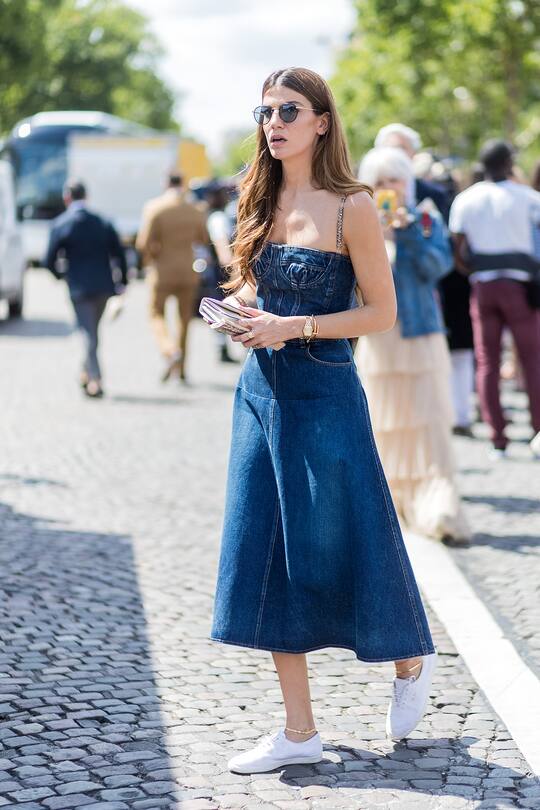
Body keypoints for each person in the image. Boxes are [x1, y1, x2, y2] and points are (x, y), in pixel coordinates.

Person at [210, 67, 437, 776]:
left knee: (349, 541)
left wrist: (294, 325)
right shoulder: (260, 196)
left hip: (328, 396)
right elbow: (258, 289)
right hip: (261, 394)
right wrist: (245, 314)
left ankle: (409, 657)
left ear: (321, 122)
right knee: (268, 549)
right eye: (266, 110)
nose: (273, 121)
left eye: (289, 109)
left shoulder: (353, 206)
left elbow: (381, 313)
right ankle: (299, 732)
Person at [356, 147, 470, 545]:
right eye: (381, 181)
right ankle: (390, 505)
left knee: (430, 422)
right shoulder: (360, 220)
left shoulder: (424, 218)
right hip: (380, 338)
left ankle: (437, 504)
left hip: (421, 332)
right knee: (383, 424)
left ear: (408, 182)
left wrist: (406, 233)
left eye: (396, 180)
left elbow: (438, 267)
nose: (390, 188)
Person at [449, 140, 540, 458]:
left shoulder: (465, 199)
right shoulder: (529, 198)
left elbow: (458, 248)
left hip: (483, 286)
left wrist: (473, 271)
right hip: (521, 287)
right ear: (508, 163)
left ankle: (497, 437)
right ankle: (537, 432)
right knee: (532, 359)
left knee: (487, 361)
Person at [45, 180, 127, 398]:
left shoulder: (62, 223)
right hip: (103, 286)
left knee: (87, 334)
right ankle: (86, 373)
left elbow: (49, 259)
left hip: (78, 287)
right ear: (86, 197)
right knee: (91, 332)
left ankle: (96, 380)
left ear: (67, 198)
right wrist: (123, 282)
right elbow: (119, 253)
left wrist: (62, 275)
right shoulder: (102, 222)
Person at [136, 172, 209, 382]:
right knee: (184, 321)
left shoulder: (154, 208)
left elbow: (143, 244)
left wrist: (150, 260)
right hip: (188, 271)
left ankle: (169, 350)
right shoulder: (196, 210)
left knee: (155, 313)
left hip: (162, 271)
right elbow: (203, 239)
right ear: (183, 184)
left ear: (165, 184)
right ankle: (183, 368)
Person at [374, 123, 449, 218]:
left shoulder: (435, 194)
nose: (396, 155)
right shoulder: (367, 195)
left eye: (401, 149)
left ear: (414, 153)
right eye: (390, 149)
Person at [204, 181, 238, 363]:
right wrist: (233, 269)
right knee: (222, 307)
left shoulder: (218, 216)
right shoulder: (217, 218)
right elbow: (222, 247)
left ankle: (223, 347)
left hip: (221, 269)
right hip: (222, 271)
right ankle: (222, 349)